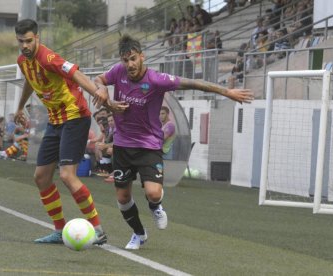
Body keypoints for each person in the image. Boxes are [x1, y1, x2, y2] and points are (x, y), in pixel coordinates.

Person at [94, 34, 253, 250]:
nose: (129, 64)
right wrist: (102, 89)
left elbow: (196, 83)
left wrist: (227, 91)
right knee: (123, 197)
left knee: (153, 192)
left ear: (142, 57)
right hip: (123, 145)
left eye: (133, 59)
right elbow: (99, 79)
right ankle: (139, 234)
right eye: (125, 60)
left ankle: (156, 206)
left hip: (148, 145)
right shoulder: (118, 72)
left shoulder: (156, 80)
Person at [13, 19, 109, 245]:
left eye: (28, 41)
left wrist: (98, 92)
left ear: (37, 38)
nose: (25, 46)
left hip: (75, 117)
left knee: (67, 175)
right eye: (20, 42)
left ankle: (98, 230)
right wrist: (19, 107)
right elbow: (30, 80)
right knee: (41, 177)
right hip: (56, 121)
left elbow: (75, 73)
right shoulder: (23, 60)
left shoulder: (48, 57)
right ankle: (59, 230)